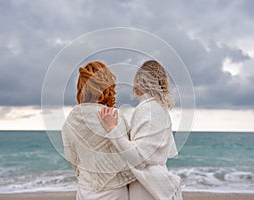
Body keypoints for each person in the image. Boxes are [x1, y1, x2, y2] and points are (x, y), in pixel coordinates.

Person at [98, 60, 183, 200]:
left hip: (145, 187)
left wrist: (111, 128)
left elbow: (138, 159)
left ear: (140, 83)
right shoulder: (161, 109)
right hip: (156, 182)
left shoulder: (147, 108)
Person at [61, 61, 136, 200]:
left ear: (81, 87)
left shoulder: (70, 119)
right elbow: (129, 154)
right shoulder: (115, 116)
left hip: (85, 190)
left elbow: (72, 158)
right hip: (115, 190)